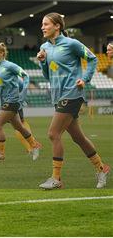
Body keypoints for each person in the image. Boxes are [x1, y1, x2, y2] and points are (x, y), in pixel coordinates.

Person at [37, 13, 109, 189]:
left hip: (73, 93)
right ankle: (102, 168)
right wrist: (43, 62)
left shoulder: (72, 44)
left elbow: (92, 59)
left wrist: (85, 79)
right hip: (57, 96)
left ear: (57, 26)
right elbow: (47, 75)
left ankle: (56, 179)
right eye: (42, 24)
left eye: (46, 24)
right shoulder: (44, 47)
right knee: (78, 138)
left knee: (53, 134)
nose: (42, 27)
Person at [0, 42, 42, 162]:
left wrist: (23, 93)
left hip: (13, 100)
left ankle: (1, 153)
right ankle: (35, 146)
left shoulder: (10, 66)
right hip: (3, 101)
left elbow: (25, 76)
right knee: (20, 128)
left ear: (2, 53)